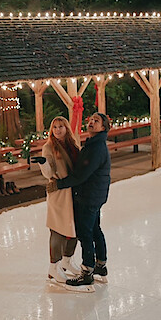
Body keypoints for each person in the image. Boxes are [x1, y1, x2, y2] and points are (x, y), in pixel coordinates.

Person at [47, 112, 111, 290]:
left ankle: (87, 272)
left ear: (103, 127)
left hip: (89, 196)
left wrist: (59, 184)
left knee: (85, 234)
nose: (91, 122)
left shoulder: (96, 147)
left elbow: (81, 175)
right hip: (95, 194)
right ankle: (101, 266)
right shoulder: (94, 143)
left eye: (96, 121)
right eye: (90, 120)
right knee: (96, 230)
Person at [35, 116, 84, 284]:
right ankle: (53, 266)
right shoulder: (49, 147)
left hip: (74, 191)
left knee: (75, 227)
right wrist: (43, 163)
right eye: (54, 127)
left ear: (66, 128)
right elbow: (49, 172)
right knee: (58, 229)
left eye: (61, 126)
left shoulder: (72, 145)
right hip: (59, 193)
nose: (57, 130)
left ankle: (67, 260)